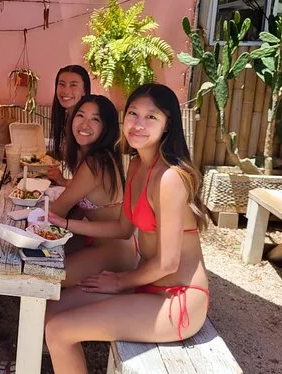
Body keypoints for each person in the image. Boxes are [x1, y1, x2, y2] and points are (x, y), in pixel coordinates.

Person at [44, 83, 209, 374]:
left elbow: (168, 263)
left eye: (151, 117)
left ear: (168, 125)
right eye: (133, 113)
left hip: (178, 297)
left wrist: (120, 281)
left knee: (59, 330)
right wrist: (66, 223)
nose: (138, 124)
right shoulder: (135, 165)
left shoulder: (170, 178)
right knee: (49, 312)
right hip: (144, 284)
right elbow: (123, 229)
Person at [50, 95, 137, 288]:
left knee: (46, 278)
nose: (85, 124)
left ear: (107, 128)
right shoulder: (92, 156)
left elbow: (58, 210)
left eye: (95, 119)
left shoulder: (95, 162)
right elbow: (77, 204)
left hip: (114, 251)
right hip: (97, 242)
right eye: (80, 115)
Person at [47, 65, 91, 187]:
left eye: (73, 85)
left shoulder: (85, 125)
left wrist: (63, 181)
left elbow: (91, 178)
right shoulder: (68, 119)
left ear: (84, 90)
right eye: (61, 84)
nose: (66, 91)